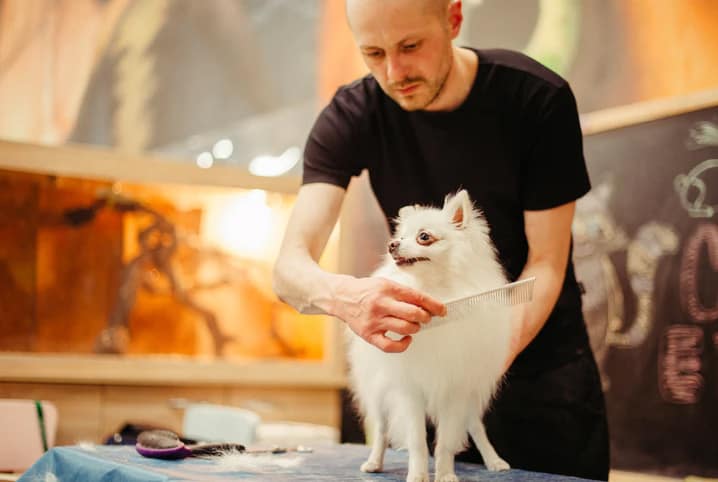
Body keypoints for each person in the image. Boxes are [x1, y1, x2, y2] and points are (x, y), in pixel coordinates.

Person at [272, 0, 609, 479]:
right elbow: (289, 269)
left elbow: (547, 262)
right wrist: (347, 298)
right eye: (373, 53)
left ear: (453, 19)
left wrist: (480, 357)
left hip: (541, 374)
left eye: (410, 46)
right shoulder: (352, 114)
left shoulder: (536, 98)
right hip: (424, 371)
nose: (394, 72)